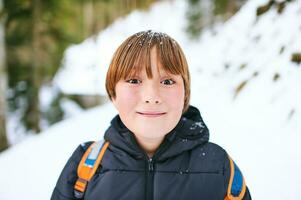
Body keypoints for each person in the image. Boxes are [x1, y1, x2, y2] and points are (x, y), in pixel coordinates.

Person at [51, 30, 251, 200]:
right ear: (113, 94)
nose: (152, 97)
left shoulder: (220, 169)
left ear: (185, 95)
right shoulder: (84, 167)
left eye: (167, 82)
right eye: (134, 80)